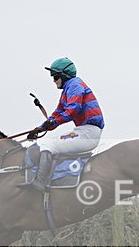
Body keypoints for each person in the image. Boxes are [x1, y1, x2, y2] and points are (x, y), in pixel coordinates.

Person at [18, 57, 105, 192]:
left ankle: (40, 182)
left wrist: (53, 122)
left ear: (64, 76)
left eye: (55, 77)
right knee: (47, 141)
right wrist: (39, 129)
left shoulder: (75, 85)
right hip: (83, 131)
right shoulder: (68, 89)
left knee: (48, 144)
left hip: (88, 133)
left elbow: (72, 110)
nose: (54, 81)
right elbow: (58, 113)